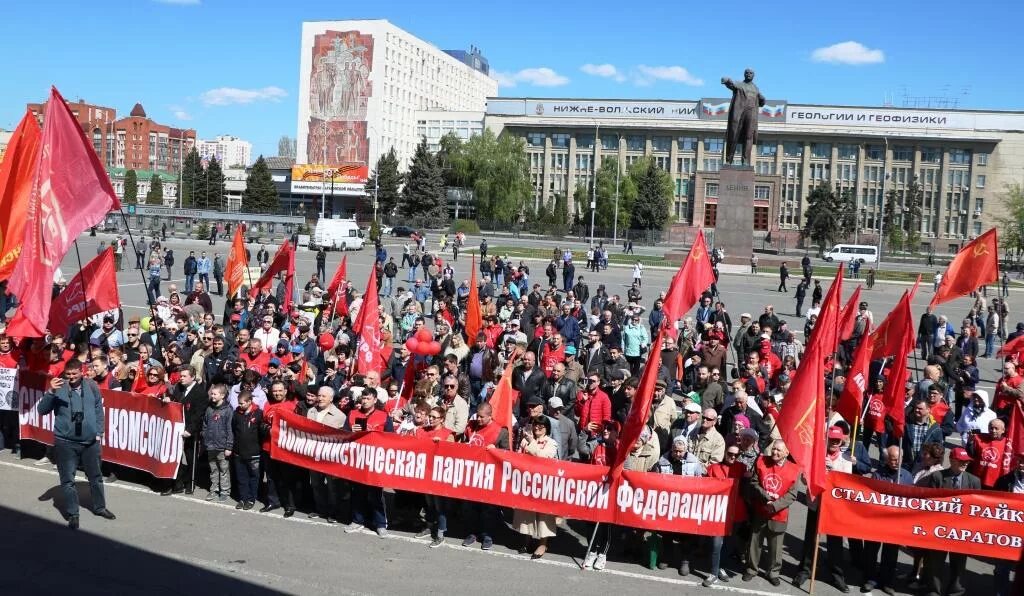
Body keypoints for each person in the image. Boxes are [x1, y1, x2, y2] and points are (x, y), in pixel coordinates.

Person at [37, 360, 116, 529]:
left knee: (95, 477)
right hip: (65, 442)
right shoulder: (58, 387)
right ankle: (73, 513)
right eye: (68, 374)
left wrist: (99, 432)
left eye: (75, 374)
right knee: (67, 479)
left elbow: (98, 409)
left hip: (90, 442)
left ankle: (100, 507)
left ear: (82, 372)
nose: (71, 377)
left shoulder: (92, 386)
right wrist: (50, 391)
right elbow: (42, 410)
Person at [917, 447, 980, 595]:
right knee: (936, 561)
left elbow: (977, 507)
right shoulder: (938, 477)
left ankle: (955, 591)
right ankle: (934, 590)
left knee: (958, 563)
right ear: (952, 461)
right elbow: (931, 503)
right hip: (941, 527)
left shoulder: (974, 481)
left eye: (967, 461)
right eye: (962, 461)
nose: (965, 464)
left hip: (962, 529)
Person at [743, 439, 799, 587]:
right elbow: (754, 482)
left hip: (778, 514)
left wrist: (774, 506)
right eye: (774, 449)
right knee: (755, 542)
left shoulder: (794, 469)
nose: (774, 452)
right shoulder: (761, 461)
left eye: (779, 450)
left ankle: (773, 573)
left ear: (786, 453)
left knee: (776, 547)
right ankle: (751, 569)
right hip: (760, 509)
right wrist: (765, 497)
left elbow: (792, 495)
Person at [513, 416, 560, 558]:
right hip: (527, 481)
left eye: (541, 426)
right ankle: (526, 538)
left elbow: (543, 457)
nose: (537, 428)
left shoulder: (552, 443)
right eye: (535, 425)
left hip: (544, 482)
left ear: (547, 428)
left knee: (544, 514)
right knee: (526, 512)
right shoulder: (524, 440)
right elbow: (518, 457)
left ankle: (543, 543)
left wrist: (531, 442)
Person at [202, 384, 233, 502]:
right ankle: (213, 489)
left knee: (223, 469)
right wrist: (205, 436)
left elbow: (230, 430)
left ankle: (225, 491)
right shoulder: (209, 409)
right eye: (212, 393)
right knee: (213, 469)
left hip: (222, 446)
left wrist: (229, 446)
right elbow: (205, 424)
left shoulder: (228, 411)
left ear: (223, 396)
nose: (212, 396)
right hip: (210, 445)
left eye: (215, 394)